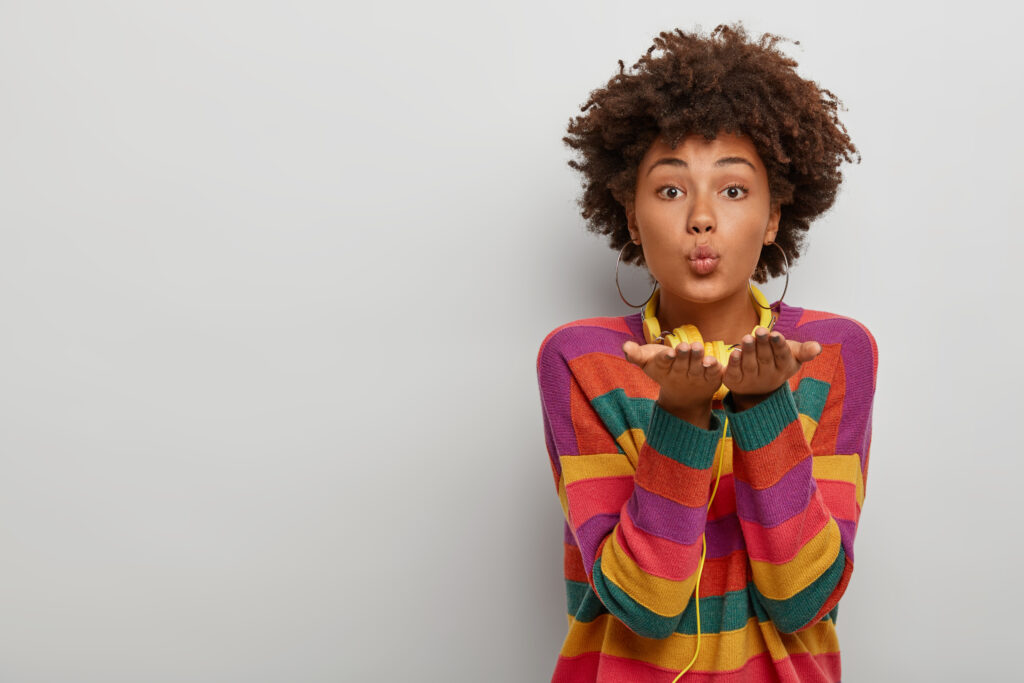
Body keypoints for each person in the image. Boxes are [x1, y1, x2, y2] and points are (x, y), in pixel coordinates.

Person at [535, 23, 879, 683]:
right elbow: (645, 603)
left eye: (733, 189)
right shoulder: (580, 359)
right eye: (670, 189)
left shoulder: (836, 352)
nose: (700, 217)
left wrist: (762, 405)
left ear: (774, 214)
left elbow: (803, 597)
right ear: (631, 216)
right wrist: (683, 416)